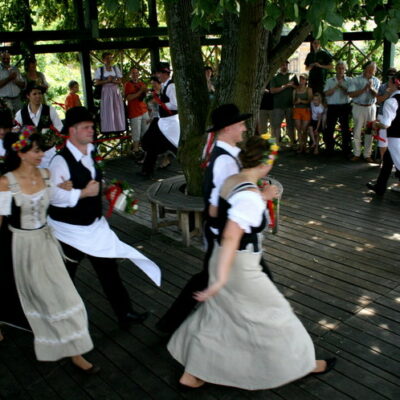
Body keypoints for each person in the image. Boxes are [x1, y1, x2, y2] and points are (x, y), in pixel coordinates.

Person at [167, 135, 336, 390]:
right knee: (277, 314)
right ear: (266, 162)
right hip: (239, 267)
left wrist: (260, 195)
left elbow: (215, 213)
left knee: (219, 316)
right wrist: (222, 279)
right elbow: (232, 234)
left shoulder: (234, 181)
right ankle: (304, 364)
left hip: (220, 258)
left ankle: (192, 375)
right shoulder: (248, 194)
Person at [156, 104, 273, 334]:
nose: (244, 128)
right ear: (228, 128)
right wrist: (260, 196)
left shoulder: (229, 156)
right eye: (240, 124)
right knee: (256, 284)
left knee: (205, 280)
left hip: (227, 235)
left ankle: (170, 324)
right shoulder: (225, 162)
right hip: (231, 236)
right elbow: (224, 204)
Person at [47, 106, 161, 329]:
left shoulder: (90, 152)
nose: (92, 130)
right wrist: (83, 193)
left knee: (109, 271)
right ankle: (56, 322)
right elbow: (53, 195)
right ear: (72, 130)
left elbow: (96, 180)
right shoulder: (60, 161)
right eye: (86, 127)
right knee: (64, 278)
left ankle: (125, 313)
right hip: (68, 231)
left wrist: (109, 191)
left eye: (92, 126)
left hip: (93, 227)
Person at [0, 126, 97, 372]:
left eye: (41, 149)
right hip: (22, 246)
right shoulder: (5, 182)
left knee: (65, 295)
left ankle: (75, 351)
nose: (41, 154)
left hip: (47, 243)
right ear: (21, 153)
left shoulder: (45, 175)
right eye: (36, 150)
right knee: (42, 298)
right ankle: (67, 349)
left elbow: (57, 198)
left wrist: (76, 191)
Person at [139, 63, 179, 177]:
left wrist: (160, 103)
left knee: (172, 146)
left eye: (159, 73)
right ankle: (147, 169)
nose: (157, 75)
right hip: (164, 122)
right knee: (152, 144)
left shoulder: (171, 87)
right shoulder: (164, 86)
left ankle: (147, 169)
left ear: (165, 74)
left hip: (170, 123)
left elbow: (175, 105)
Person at [366, 71, 400, 197]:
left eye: (391, 80)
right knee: (387, 161)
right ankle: (380, 187)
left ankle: (380, 187)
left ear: (395, 83)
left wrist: (375, 124)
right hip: (395, 140)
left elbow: (386, 124)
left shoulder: (391, 102)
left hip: (396, 139)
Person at [15, 82, 63, 168]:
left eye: (40, 93)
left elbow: (59, 128)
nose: (38, 96)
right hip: (30, 156)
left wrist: (54, 138)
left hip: (49, 153)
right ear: (28, 96)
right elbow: (16, 132)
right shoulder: (21, 114)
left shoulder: (50, 110)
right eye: (34, 94)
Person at [348, 61, 380, 162]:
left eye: (374, 70)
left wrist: (371, 88)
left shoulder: (376, 80)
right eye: (371, 69)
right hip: (358, 107)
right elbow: (351, 94)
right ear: (366, 69)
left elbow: (378, 96)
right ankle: (356, 153)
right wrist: (364, 89)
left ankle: (367, 155)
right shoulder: (356, 80)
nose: (373, 72)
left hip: (371, 107)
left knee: (369, 131)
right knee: (357, 130)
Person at [323, 61, 352, 156]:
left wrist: (342, 86)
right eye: (339, 68)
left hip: (344, 106)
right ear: (336, 69)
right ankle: (329, 149)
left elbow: (351, 93)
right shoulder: (330, 81)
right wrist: (336, 87)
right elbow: (326, 93)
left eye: (342, 68)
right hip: (332, 106)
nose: (340, 70)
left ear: (345, 69)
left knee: (345, 129)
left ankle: (346, 150)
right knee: (330, 128)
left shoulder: (349, 80)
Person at [94, 52, 125, 134]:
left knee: (116, 108)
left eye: (110, 58)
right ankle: (108, 128)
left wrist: (115, 81)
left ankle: (118, 127)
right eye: (107, 58)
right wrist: (107, 80)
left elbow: (120, 80)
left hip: (115, 90)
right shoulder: (100, 69)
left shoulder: (115, 68)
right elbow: (96, 82)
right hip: (106, 90)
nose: (109, 60)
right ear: (103, 60)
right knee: (107, 108)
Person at [270, 61, 297, 147]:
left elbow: (299, 87)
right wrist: (286, 86)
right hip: (277, 105)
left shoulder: (293, 75)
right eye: (282, 64)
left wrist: (292, 86)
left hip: (290, 105)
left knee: (291, 126)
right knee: (276, 126)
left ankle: (293, 144)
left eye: (285, 64)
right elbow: (272, 90)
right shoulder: (274, 77)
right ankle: (276, 145)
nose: (284, 65)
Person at [124, 67, 149, 158]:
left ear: (139, 74)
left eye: (136, 73)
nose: (135, 74)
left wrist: (145, 91)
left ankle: (145, 150)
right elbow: (129, 98)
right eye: (133, 73)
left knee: (146, 132)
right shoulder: (128, 84)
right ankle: (135, 150)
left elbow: (145, 96)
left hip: (144, 110)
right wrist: (140, 91)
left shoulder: (142, 83)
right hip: (134, 111)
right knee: (136, 133)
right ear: (131, 75)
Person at [375, 67, 397, 161]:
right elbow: (378, 101)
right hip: (382, 114)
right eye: (389, 74)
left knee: (394, 139)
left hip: (395, 117)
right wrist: (387, 94)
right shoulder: (383, 86)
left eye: (393, 74)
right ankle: (383, 160)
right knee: (382, 139)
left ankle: (393, 161)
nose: (390, 76)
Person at [293, 73, 313, 154]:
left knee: (304, 130)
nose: (301, 80)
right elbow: (293, 102)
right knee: (299, 130)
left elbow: (310, 100)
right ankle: (300, 146)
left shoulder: (309, 89)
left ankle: (304, 146)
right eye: (300, 79)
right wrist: (296, 102)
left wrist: (301, 101)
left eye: (303, 79)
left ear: (306, 81)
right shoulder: (295, 90)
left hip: (306, 111)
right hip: (297, 110)